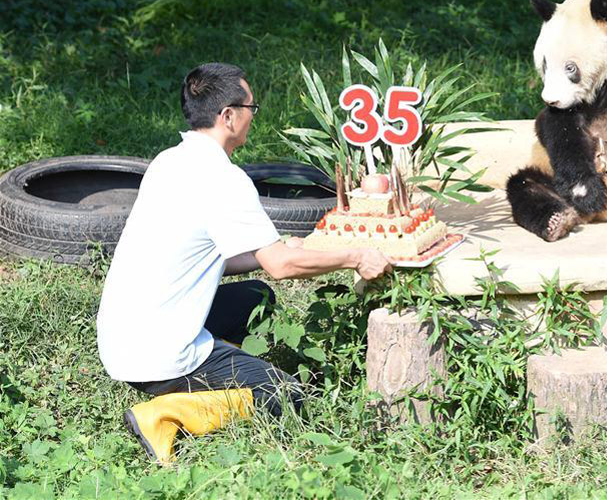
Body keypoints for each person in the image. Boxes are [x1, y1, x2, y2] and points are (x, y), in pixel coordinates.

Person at [96, 62, 392, 464]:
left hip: (122, 340)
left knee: (256, 295)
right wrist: (357, 256)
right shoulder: (224, 178)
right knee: (288, 396)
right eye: (252, 107)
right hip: (161, 355)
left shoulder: (169, 161)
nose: (254, 117)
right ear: (229, 115)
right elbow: (282, 266)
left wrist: (268, 248)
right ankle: (164, 412)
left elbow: (219, 256)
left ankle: (219, 372)